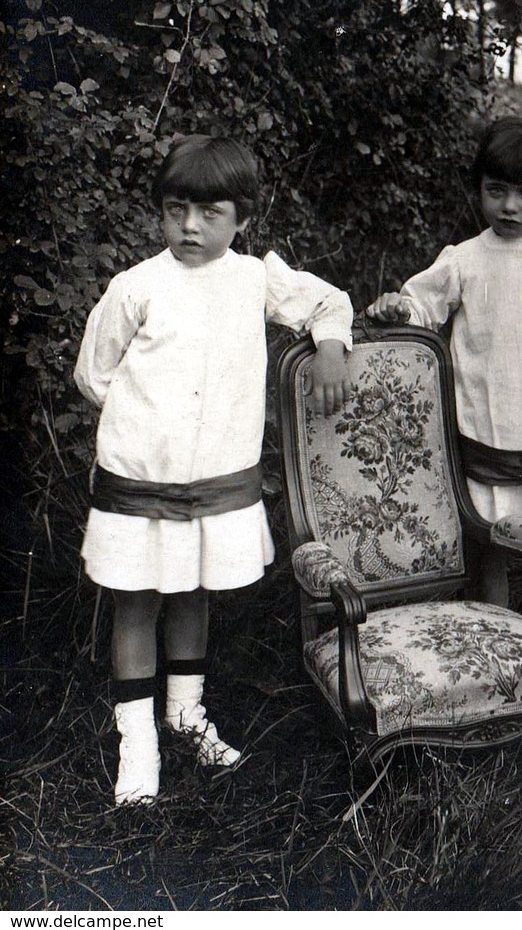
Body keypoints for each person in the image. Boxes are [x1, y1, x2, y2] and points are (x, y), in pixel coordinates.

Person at [75, 135, 352, 805]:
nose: (191, 227)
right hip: (141, 477)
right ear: (161, 212)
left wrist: (333, 348)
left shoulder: (255, 278)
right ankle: (136, 738)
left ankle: (184, 713)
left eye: (210, 213)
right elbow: (93, 374)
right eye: (176, 211)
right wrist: (153, 422)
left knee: (194, 591)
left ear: (244, 218)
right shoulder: (135, 286)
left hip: (216, 482)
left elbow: (326, 302)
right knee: (138, 599)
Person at [366, 116, 522, 668]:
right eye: (496, 191)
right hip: (488, 427)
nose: (509, 207)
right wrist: (397, 308)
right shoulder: (464, 259)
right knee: (491, 536)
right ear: (478, 189)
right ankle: (495, 646)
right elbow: (421, 305)